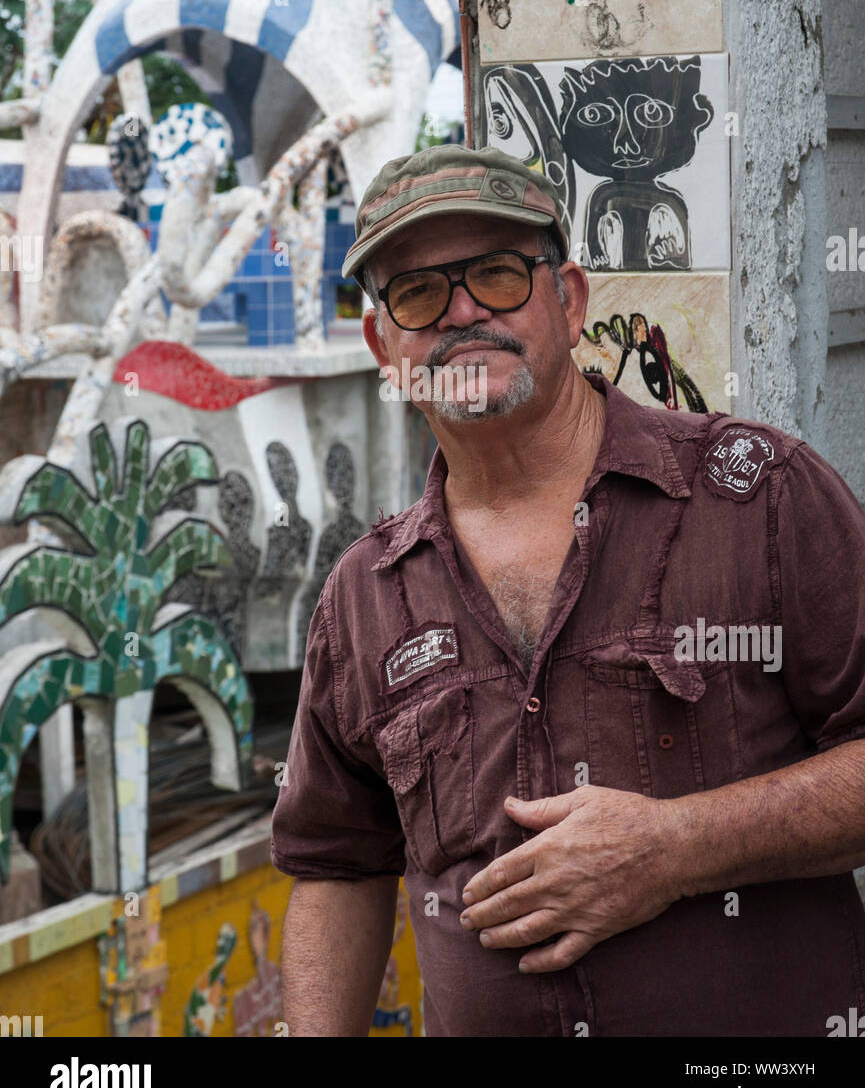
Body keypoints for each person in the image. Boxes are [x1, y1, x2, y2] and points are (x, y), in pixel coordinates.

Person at [271, 143, 865, 1037]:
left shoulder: (756, 496)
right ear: (382, 344)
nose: (464, 311)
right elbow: (334, 868)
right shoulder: (366, 597)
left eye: (500, 274)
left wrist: (676, 849)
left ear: (570, 299)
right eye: (419, 293)